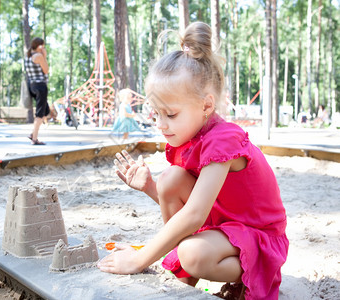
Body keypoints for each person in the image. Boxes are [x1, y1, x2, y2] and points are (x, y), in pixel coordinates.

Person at [97, 22, 289, 300]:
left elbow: (196, 214)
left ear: (207, 105)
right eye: (156, 114)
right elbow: (193, 204)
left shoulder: (224, 139)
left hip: (259, 238)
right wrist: (151, 187)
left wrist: (141, 260)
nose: (161, 124)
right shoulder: (191, 136)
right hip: (226, 226)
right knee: (169, 180)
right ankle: (185, 277)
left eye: (171, 114)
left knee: (190, 252)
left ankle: (251, 275)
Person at [25, 37, 49, 145]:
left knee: (46, 111)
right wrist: (45, 56)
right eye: (43, 46)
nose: (44, 48)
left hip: (32, 86)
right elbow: (46, 70)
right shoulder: (38, 56)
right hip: (40, 86)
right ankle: (34, 139)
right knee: (40, 113)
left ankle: (33, 133)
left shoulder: (28, 56)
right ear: (39, 46)